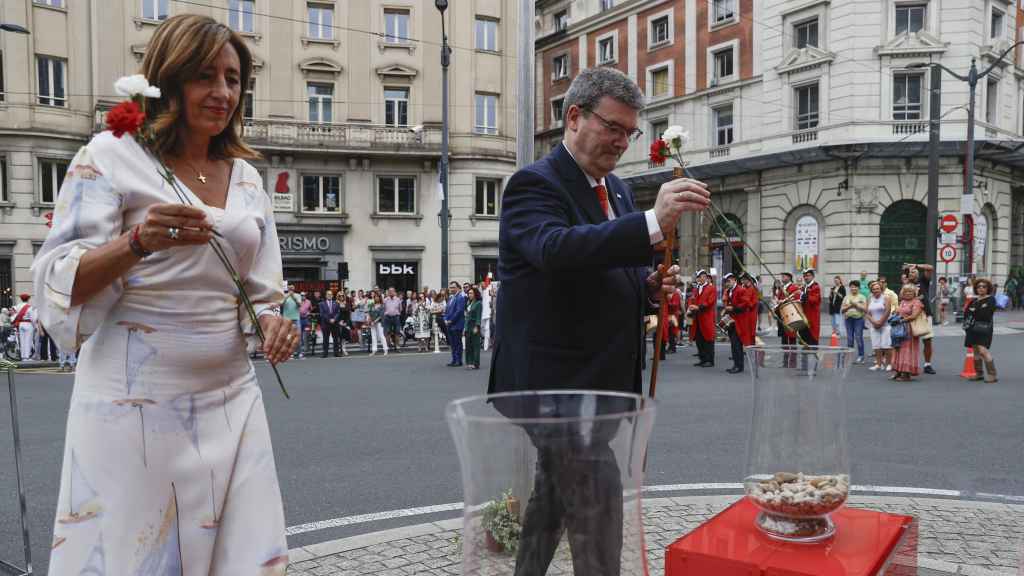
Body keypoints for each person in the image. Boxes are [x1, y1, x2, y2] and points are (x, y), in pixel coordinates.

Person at [31, 15, 295, 573]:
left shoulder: (246, 178)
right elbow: (57, 277)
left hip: (232, 398)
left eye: (233, 78)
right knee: (140, 557)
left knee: (245, 557)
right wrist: (137, 242)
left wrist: (274, 320)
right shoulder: (110, 154)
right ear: (169, 80)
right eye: (205, 76)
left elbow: (265, 291)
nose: (223, 92)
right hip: (135, 404)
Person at [487, 67, 708, 576]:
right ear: (573, 117)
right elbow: (557, 250)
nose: (622, 142)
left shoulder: (620, 191)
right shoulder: (533, 184)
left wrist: (649, 289)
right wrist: (654, 223)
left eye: (630, 133)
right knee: (599, 512)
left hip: (598, 385)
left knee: (551, 500)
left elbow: (611, 272)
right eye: (613, 127)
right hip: (554, 388)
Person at [963, 278, 998, 383]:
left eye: (984, 286)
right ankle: (979, 373)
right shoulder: (974, 300)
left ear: (988, 288)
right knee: (976, 351)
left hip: (984, 328)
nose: (981, 288)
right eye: (979, 286)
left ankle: (992, 374)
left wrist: (975, 311)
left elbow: (986, 314)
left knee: (983, 350)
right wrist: (974, 312)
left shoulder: (991, 299)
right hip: (972, 328)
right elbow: (967, 313)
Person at [905, 264, 936, 374]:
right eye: (910, 272)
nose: (911, 274)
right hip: (911, 316)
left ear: (918, 274)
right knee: (910, 341)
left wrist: (917, 265)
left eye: (914, 272)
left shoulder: (923, 281)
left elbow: (930, 268)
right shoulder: (906, 285)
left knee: (927, 340)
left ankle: (927, 364)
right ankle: (910, 364)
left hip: (924, 314)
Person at [892, 285, 924, 381]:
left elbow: (914, 316)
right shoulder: (902, 302)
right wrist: (895, 314)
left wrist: (902, 320)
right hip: (899, 328)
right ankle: (898, 371)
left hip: (909, 329)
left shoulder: (917, 302)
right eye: (906, 292)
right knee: (898, 349)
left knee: (907, 350)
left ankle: (906, 373)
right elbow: (898, 312)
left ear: (914, 293)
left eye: (910, 291)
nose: (908, 293)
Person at [688, 270, 716, 367]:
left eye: (702, 276)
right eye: (699, 277)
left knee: (708, 339)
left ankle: (709, 360)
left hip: (706, 317)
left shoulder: (711, 288)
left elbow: (710, 302)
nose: (700, 278)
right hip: (697, 318)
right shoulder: (696, 289)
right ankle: (702, 359)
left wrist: (698, 307)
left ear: (705, 277)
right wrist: (690, 306)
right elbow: (691, 299)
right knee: (699, 340)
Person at [866, 281, 893, 372]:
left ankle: (889, 364)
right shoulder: (869, 298)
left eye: (877, 288)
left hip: (885, 325)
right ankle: (878, 364)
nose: (875, 290)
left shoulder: (886, 297)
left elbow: (887, 311)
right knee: (876, 346)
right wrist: (874, 322)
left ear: (881, 289)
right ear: (871, 290)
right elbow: (868, 312)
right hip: (874, 326)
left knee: (886, 346)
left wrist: (880, 322)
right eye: (873, 289)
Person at [841, 280, 868, 363]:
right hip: (848, 319)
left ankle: (861, 356)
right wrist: (850, 306)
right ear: (850, 288)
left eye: (855, 287)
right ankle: (849, 357)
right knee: (850, 339)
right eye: (852, 287)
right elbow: (842, 310)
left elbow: (865, 309)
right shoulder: (846, 297)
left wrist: (856, 305)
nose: (853, 288)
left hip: (858, 319)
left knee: (858, 337)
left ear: (858, 288)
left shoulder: (862, 297)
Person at [443, 281, 466, 366]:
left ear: (457, 288)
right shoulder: (450, 298)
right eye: (450, 287)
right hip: (449, 324)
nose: (451, 289)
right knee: (452, 344)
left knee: (457, 343)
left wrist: (451, 320)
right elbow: (446, 311)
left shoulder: (460, 297)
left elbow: (459, 311)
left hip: (457, 324)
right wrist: (445, 319)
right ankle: (454, 359)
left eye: (453, 287)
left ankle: (458, 360)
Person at [799, 268, 822, 345]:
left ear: (813, 276)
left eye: (808, 275)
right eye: (804, 276)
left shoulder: (815, 286)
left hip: (812, 316)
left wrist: (806, 296)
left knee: (812, 339)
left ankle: (813, 355)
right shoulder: (804, 287)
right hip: (804, 316)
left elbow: (815, 300)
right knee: (804, 339)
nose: (806, 277)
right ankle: (804, 356)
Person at [463, 287, 483, 370]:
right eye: (468, 293)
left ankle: (475, 363)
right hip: (468, 326)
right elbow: (467, 317)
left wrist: (477, 326)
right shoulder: (468, 303)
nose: (469, 295)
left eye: (471, 293)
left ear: (475, 294)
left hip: (474, 325)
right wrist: (464, 328)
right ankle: (469, 362)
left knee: (475, 345)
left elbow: (478, 316)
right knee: (468, 345)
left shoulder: (478, 303)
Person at [12, 294, 34, 362]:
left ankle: (23, 356)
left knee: (22, 340)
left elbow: (15, 315)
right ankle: (27, 357)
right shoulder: (29, 307)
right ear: (28, 299)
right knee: (28, 340)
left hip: (21, 324)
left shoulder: (17, 306)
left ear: (21, 299)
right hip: (28, 324)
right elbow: (32, 317)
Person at [281, 285, 302, 358]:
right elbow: (281, 304)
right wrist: (287, 296)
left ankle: (299, 352)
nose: (291, 289)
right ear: (288, 289)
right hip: (287, 319)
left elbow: (299, 305)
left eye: (292, 288)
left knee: (298, 335)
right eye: (290, 288)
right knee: (288, 337)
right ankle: (289, 353)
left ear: (294, 289)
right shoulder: (284, 295)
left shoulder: (298, 295)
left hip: (296, 318)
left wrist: (293, 297)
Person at [367, 291, 388, 356]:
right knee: (373, 336)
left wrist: (374, 321)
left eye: (377, 297)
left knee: (381, 336)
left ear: (380, 298)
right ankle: (374, 350)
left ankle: (385, 349)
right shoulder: (371, 305)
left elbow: (381, 316)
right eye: (375, 297)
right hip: (372, 322)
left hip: (379, 322)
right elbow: (369, 313)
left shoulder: (382, 305)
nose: (376, 298)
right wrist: (369, 320)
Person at [382, 287, 402, 352]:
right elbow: (383, 309)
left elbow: (400, 309)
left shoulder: (398, 299)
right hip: (387, 317)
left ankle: (397, 347)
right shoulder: (385, 300)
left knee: (397, 332)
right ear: (388, 292)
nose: (391, 292)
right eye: (389, 291)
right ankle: (387, 347)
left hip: (396, 317)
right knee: (387, 332)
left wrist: (397, 313)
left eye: (392, 291)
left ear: (394, 292)